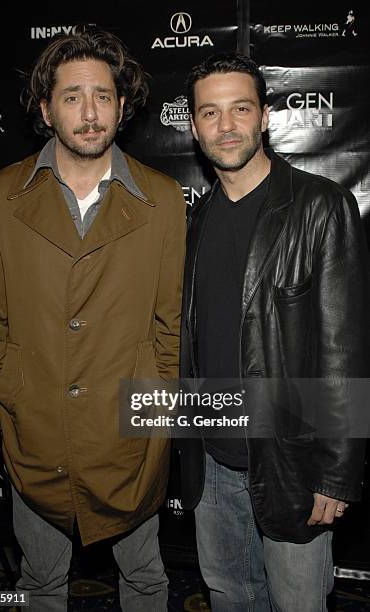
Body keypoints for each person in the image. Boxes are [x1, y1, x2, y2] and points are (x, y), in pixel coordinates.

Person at [0, 26, 186, 612]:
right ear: (46, 108)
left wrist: (158, 416)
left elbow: (170, 329)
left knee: (145, 580)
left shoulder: (163, 198)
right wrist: (1, 402)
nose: (90, 114)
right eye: (72, 97)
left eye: (103, 97)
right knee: (40, 585)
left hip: (128, 436)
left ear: (122, 104)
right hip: (33, 428)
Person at [177, 52, 369, 612]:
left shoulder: (320, 206)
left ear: (264, 116)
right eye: (209, 113)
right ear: (193, 126)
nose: (226, 125)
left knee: (298, 605)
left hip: (292, 464)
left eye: (240, 108)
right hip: (210, 465)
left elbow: (345, 350)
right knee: (229, 597)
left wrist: (336, 473)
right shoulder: (198, 218)